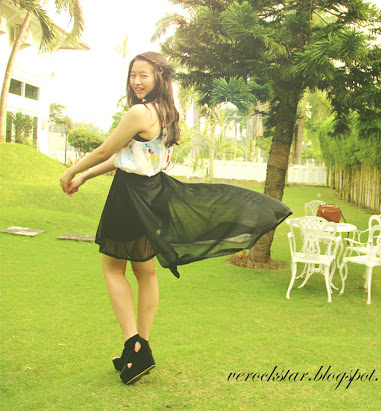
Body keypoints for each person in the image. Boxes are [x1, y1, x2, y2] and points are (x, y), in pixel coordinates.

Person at [59, 51, 291, 385]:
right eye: (133, 75)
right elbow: (125, 155)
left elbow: (104, 151)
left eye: (144, 75)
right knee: (145, 273)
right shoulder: (166, 113)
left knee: (113, 269)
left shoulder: (139, 112)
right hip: (153, 194)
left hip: (129, 196)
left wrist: (71, 171)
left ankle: (133, 344)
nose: (137, 81)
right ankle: (139, 349)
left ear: (159, 77)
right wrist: (85, 177)